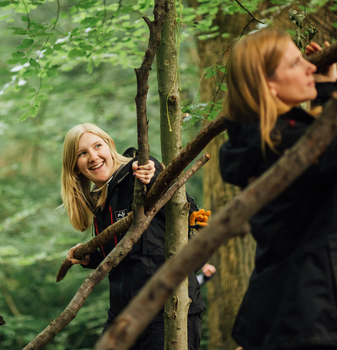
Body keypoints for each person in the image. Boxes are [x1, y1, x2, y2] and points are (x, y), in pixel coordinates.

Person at [219, 28, 337, 350]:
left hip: (286, 305)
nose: (311, 66)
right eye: (296, 64)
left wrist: (325, 88)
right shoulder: (285, 144)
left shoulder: (264, 140)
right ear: (269, 84)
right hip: (309, 312)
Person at [62, 123, 207, 350]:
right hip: (123, 315)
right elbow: (123, 251)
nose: (93, 157)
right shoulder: (101, 200)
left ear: (110, 146)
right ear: (75, 166)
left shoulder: (139, 174)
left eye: (97, 146)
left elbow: (186, 208)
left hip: (167, 310)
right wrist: (90, 256)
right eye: (82, 153)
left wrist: (155, 173)